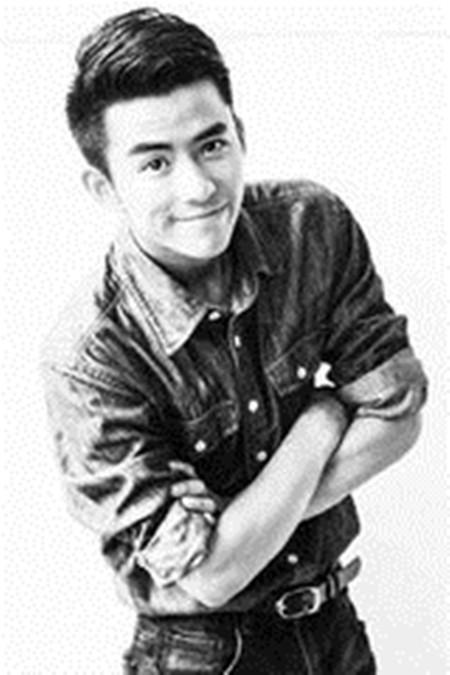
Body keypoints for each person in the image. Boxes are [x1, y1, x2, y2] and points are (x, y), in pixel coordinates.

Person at [41, 7, 428, 674]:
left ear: (240, 134)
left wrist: (242, 523)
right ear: (104, 187)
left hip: (335, 627)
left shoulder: (312, 226)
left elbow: (399, 414)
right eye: (155, 162)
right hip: (202, 656)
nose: (198, 187)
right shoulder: (89, 358)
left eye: (212, 145)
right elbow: (214, 576)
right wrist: (323, 417)